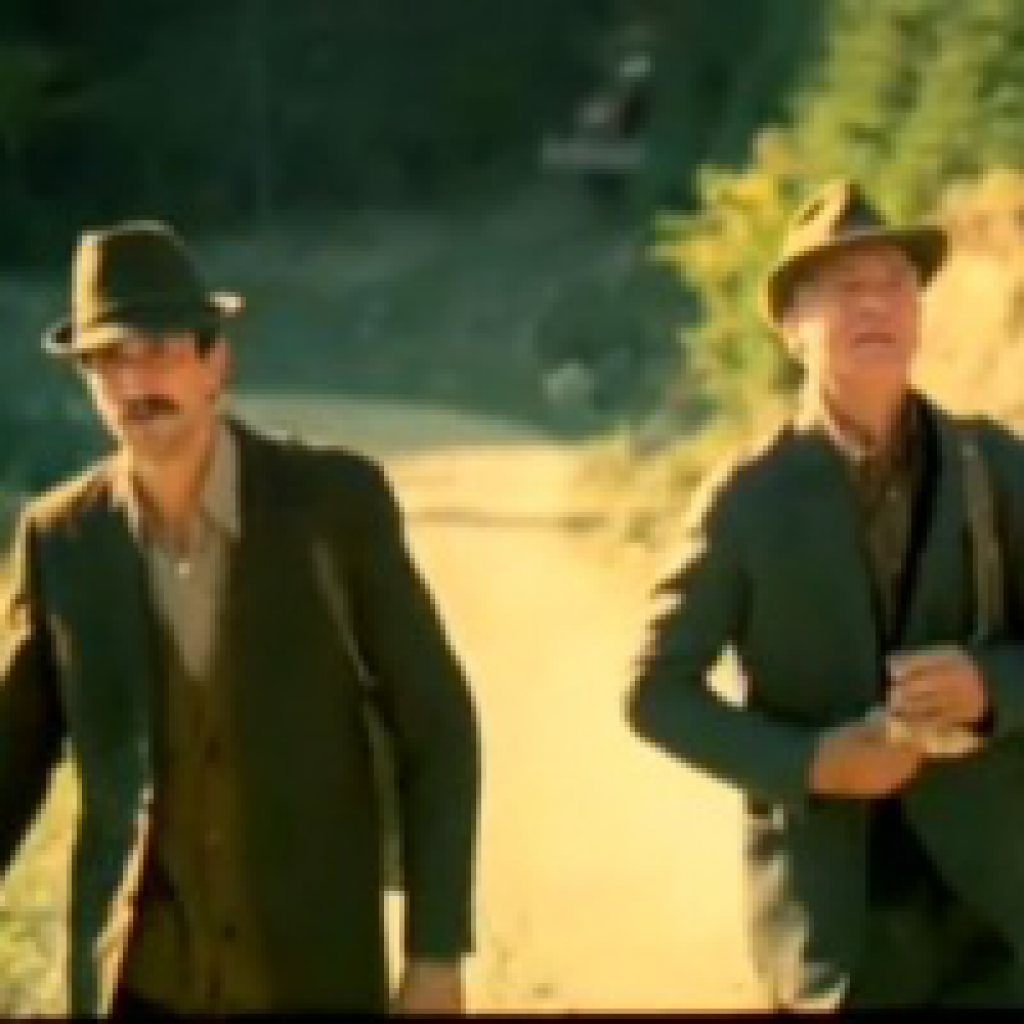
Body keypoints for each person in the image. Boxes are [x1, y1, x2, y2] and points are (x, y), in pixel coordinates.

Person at [0, 220, 481, 1015]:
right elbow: (12, 759)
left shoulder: (333, 506)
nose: (136, 382)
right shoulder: (63, 539)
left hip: (311, 973)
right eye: (108, 360)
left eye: (159, 350)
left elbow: (437, 726)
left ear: (215, 361)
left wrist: (435, 955)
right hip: (135, 986)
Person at [626, 179, 1024, 1008]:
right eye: (847, 288)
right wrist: (809, 764)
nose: (875, 304)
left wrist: (991, 687)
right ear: (793, 327)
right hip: (833, 933)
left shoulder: (993, 465)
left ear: (919, 312)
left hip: (994, 914)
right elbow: (655, 691)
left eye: (895, 284)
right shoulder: (748, 497)